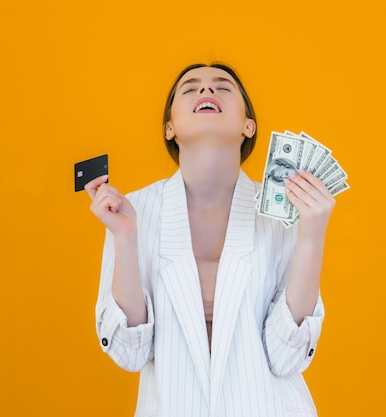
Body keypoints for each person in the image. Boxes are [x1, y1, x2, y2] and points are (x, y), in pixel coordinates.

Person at [85, 63, 335, 417]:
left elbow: (287, 357)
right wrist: (125, 238)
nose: (206, 91)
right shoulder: (131, 212)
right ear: (169, 128)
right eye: (190, 88)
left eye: (223, 87)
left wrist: (311, 237)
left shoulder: (285, 213)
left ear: (248, 125)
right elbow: (130, 352)